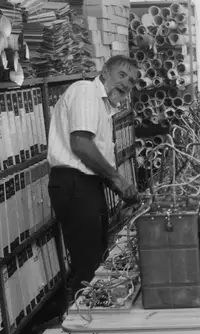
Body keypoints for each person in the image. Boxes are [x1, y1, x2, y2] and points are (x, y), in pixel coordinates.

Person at [47, 55, 139, 302]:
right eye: (121, 75)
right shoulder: (87, 92)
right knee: (88, 263)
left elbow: (95, 158)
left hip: (86, 185)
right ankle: (83, 326)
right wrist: (118, 179)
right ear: (105, 71)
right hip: (74, 183)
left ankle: (93, 322)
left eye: (131, 81)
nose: (126, 84)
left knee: (95, 259)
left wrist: (126, 192)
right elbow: (81, 145)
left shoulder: (104, 108)